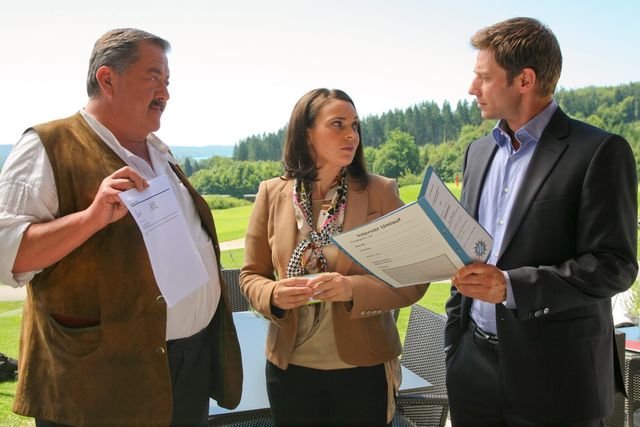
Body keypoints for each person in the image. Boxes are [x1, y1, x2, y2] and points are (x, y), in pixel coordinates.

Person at [0, 28, 242, 426]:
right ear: (107, 78)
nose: (165, 94)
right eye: (154, 77)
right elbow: (7, 255)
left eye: (168, 82)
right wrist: (90, 218)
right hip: (100, 383)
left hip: (187, 368)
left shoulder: (160, 153)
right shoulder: (48, 145)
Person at [444, 17, 637, 426]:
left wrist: (512, 286)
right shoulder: (477, 153)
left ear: (525, 80)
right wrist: (455, 350)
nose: (472, 88)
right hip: (472, 370)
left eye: (484, 77)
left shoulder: (600, 151)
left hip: (558, 380)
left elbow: (615, 265)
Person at [240, 88, 427, 427]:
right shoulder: (271, 193)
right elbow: (251, 275)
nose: (351, 135)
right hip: (289, 370)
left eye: (355, 125)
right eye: (338, 124)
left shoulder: (380, 192)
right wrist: (273, 294)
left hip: (363, 369)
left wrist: (351, 288)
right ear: (307, 133)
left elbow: (414, 277)